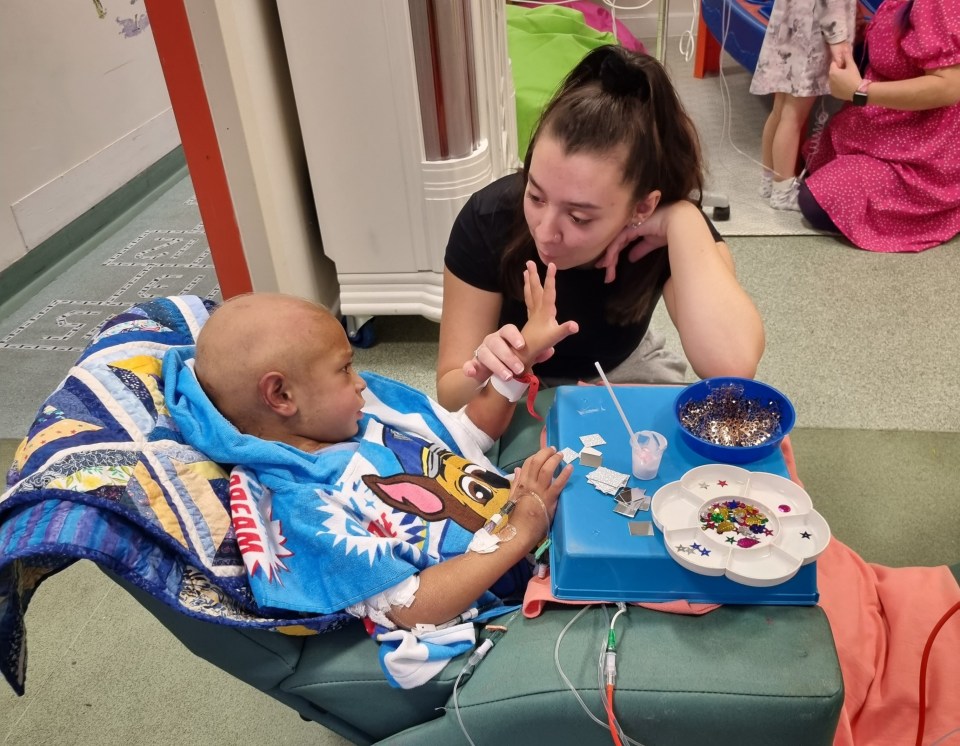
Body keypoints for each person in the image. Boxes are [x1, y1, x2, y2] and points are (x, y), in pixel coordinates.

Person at [163, 279, 575, 688]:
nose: (360, 381)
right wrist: (521, 531)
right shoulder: (303, 505)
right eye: (344, 368)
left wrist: (521, 361)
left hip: (531, 517)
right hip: (527, 579)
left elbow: (468, 434)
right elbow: (411, 606)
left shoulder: (350, 422)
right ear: (281, 395)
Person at [437, 44, 765, 412]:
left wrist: (682, 218)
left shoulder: (671, 233)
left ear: (643, 206)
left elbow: (732, 368)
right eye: (536, 195)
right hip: (507, 384)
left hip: (621, 372)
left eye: (579, 218)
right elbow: (450, 395)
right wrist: (483, 367)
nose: (545, 233)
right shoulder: (488, 220)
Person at [798, 0, 960, 252]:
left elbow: (949, 86)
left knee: (815, 203)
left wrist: (860, 92)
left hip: (925, 149)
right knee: (812, 165)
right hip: (886, 125)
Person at [749, 0, 858, 210]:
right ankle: (783, 191)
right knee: (792, 117)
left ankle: (769, 180)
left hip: (792, 27)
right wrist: (838, 39)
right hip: (813, 34)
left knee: (780, 110)